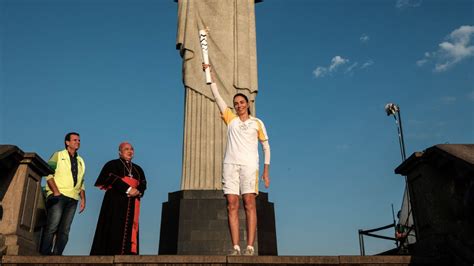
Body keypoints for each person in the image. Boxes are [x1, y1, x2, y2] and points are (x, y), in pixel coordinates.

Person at [203, 64, 271, 256]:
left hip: (249, 166)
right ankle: (235, 247)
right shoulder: (230, 119)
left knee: (249, 203)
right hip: (230, 166)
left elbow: (266, 146)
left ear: (248, 104)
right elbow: (216, 95)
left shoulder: (257, 123)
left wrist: (266, 171)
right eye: (236, 103)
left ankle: (250, 247)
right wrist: (209, 72)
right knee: (231, 203)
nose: (239, 105)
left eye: (242, 102)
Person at [90, 142, 147, 255]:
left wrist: (137, 191)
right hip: (115, 202)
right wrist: (129, 189)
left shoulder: (138, 169)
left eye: (131, 149)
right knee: (113, 228)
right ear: (120, 152)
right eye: (126, 149)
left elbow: (144, 183)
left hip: (132, 202)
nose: (130, 151)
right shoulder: (112, 164)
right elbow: (110, 178)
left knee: (131, 229)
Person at [40, 132, 86, 255]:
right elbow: (48, 173)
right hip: (58, 196)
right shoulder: (58, 155)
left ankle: (57, 256)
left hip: (73, 198)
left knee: (65, 230)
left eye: (79, 140)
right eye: (75, 140)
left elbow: (82, 182)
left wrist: (83, 199)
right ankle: (44, 255)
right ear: (67, 142)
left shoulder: (81, 160)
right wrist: (56, 192)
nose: (78, 142)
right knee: (52, 226)